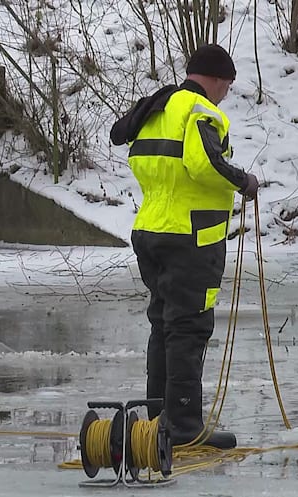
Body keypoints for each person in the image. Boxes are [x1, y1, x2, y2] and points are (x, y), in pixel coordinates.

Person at [110, 44, 259, 450]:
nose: (226, 93)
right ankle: (184, 426)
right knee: (188, 328)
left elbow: (135, 151)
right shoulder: (200, 111)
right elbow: (204, 163)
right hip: (190, 237)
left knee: (164, 324)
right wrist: (243, 181)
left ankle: (158, 423)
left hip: (151, 231)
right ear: (215, 79)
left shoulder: (156, 109)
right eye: (227, 85)